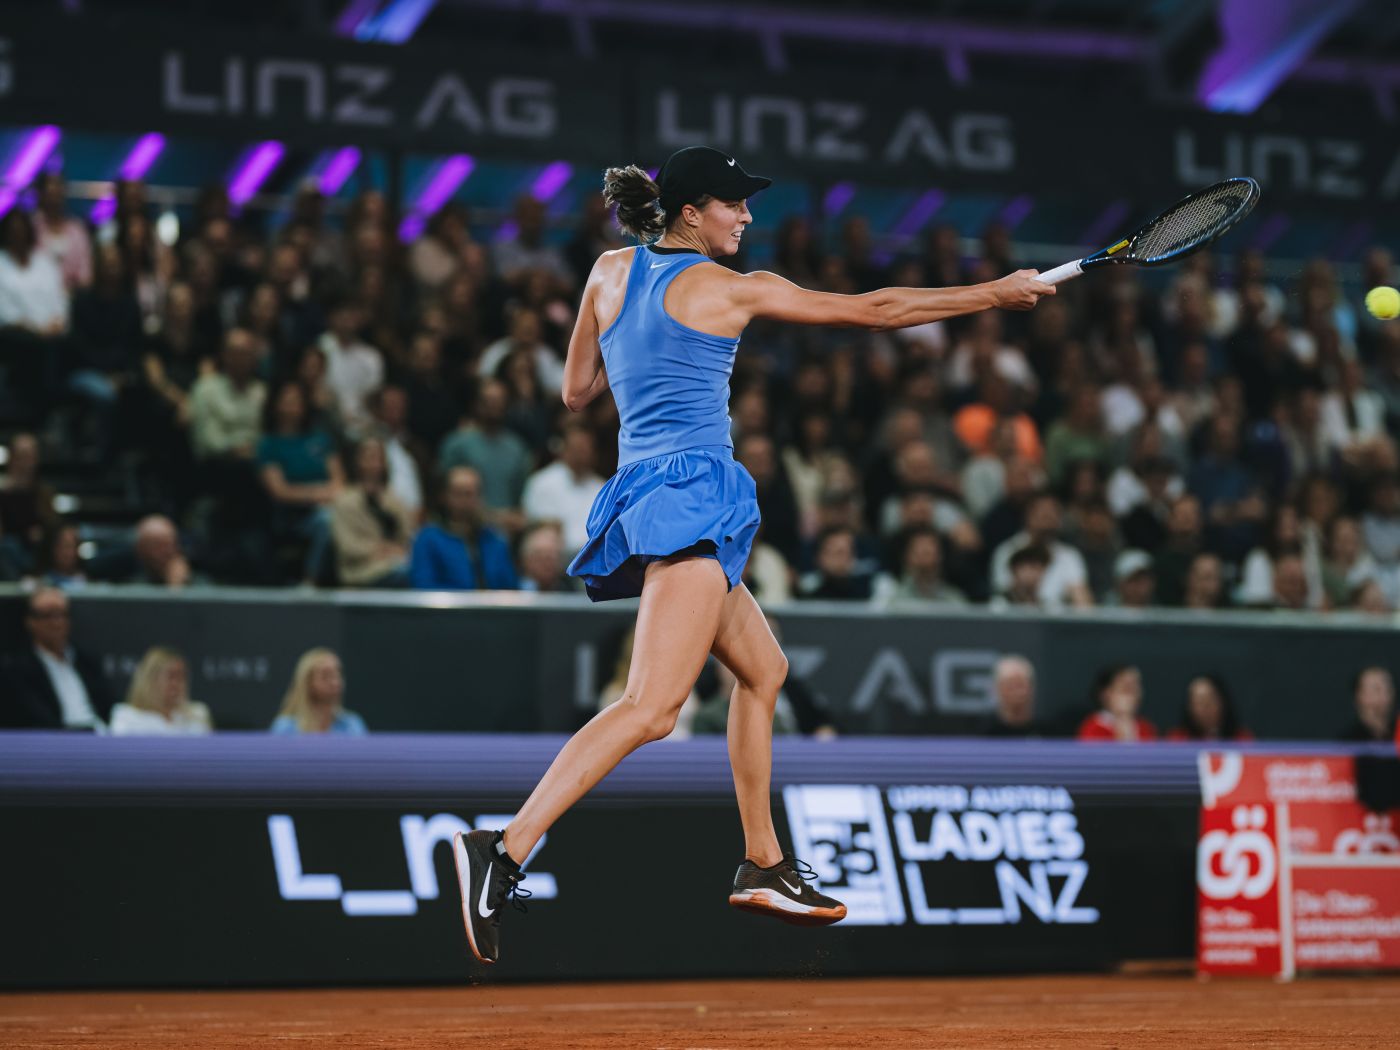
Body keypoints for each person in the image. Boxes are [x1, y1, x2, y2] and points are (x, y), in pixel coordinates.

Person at [449, 145, 1054, 964]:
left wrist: (648, 361)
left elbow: (576, 391)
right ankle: (505, 848)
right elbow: (878, 311)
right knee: (651, 709)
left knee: (764, 672)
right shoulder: (731, 290)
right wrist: (995, 293)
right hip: (693, 498)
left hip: (644, 488)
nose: (746, 216)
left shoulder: (606, 272)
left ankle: (763, 862)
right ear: (691, 212)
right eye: (733, 204)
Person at [0, 586, 114, 730]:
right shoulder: (17, 669)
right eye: (47, 616)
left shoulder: (87, 661)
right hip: (54, 738)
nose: (56, 623)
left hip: (100, 735)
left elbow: (109, 707)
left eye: (62, 614)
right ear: (30, 621)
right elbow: (35, 717)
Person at [409, 465, 518, 591]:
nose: (465, 501)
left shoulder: (494, 539)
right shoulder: (428, 539)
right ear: (444, 496)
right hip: (448, 603)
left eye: (471, 494)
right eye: (459, 494)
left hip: (493, 603)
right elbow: (424, 587)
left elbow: (511, 586)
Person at [331, 437, 414, 588]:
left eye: (378, 458)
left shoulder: (394, 500)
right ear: (358, 461)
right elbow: (347, 546)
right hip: (360, 570)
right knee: (407, 574)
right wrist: (381, 550)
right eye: (369, 457)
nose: (373, 464)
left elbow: (407, 537)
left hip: (396, 562)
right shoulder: (345, 500)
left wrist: (399, 550)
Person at [521, 424, 604, 552]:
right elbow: (535, 526)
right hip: (553, 555)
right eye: (577, 448)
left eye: (586, 449)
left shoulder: (602, 488)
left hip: (593, 556)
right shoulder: (542, 482)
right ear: (564, 449)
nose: (582, 454)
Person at [109, 647, 213, 736]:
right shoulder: (126, 717)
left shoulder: (198, 715)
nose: (177, 684)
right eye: (171, 676)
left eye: (181, 677)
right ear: (150, 679)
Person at [271, 648, 367, 735]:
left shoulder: (352, 725)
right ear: (308, 682)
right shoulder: (286, 728)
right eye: (326, 675)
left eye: (338, 674)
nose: (336, 682)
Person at [1077, 664, 1158, 742]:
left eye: (1135, 688)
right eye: (1126, 689)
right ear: (1106, 693)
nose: (1133, 696)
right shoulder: (1093, 728)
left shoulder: (1145, 727)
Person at [1167, 675, 1251, 742]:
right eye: (1200, 702)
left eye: (1210, 700)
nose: (1206, 708)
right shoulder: (1177, 740)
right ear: (1189, 707)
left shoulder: (1241, 739)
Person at [978, 655, 1040, 737]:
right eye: (1010, 686)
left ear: (1031, 688)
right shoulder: (983, 734)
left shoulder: (1048, 733)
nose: (1017, 692)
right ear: (998, 689)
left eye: (1021, 685)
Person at [1340, 666, 1396, 742]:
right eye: (1377, 689)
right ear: (1359, 695)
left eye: (1388, 689)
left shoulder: (1396, 734)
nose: (1385, 694)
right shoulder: (1347, 741)